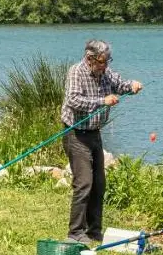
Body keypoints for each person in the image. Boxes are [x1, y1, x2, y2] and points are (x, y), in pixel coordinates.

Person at [61, 39, 142, 244]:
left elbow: (120, 85)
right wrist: (102, 101)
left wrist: (131, 86)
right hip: (76, 134)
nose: (105, 66)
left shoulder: (106, 72)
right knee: (84, 183)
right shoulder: (76, 72)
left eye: (107, 61)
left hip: (94, 134)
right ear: (89, 59)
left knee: (99, 184)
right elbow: (73, 100)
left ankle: (94, 231)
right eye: (101, 62)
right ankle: (75, 232)